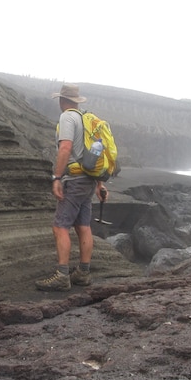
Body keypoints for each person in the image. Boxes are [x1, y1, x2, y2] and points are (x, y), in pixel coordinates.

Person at [36, 83, 108, 291]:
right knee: (83, 226)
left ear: (61, 100)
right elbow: (94, 153)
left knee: (60, 226)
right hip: (89, 180)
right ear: (77, 100)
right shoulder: (88, 120)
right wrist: (99, 184)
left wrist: (57, 177)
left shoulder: (68, 117)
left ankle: (62, 275)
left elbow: (65, 147)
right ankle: (83, 273)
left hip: (74, 180)